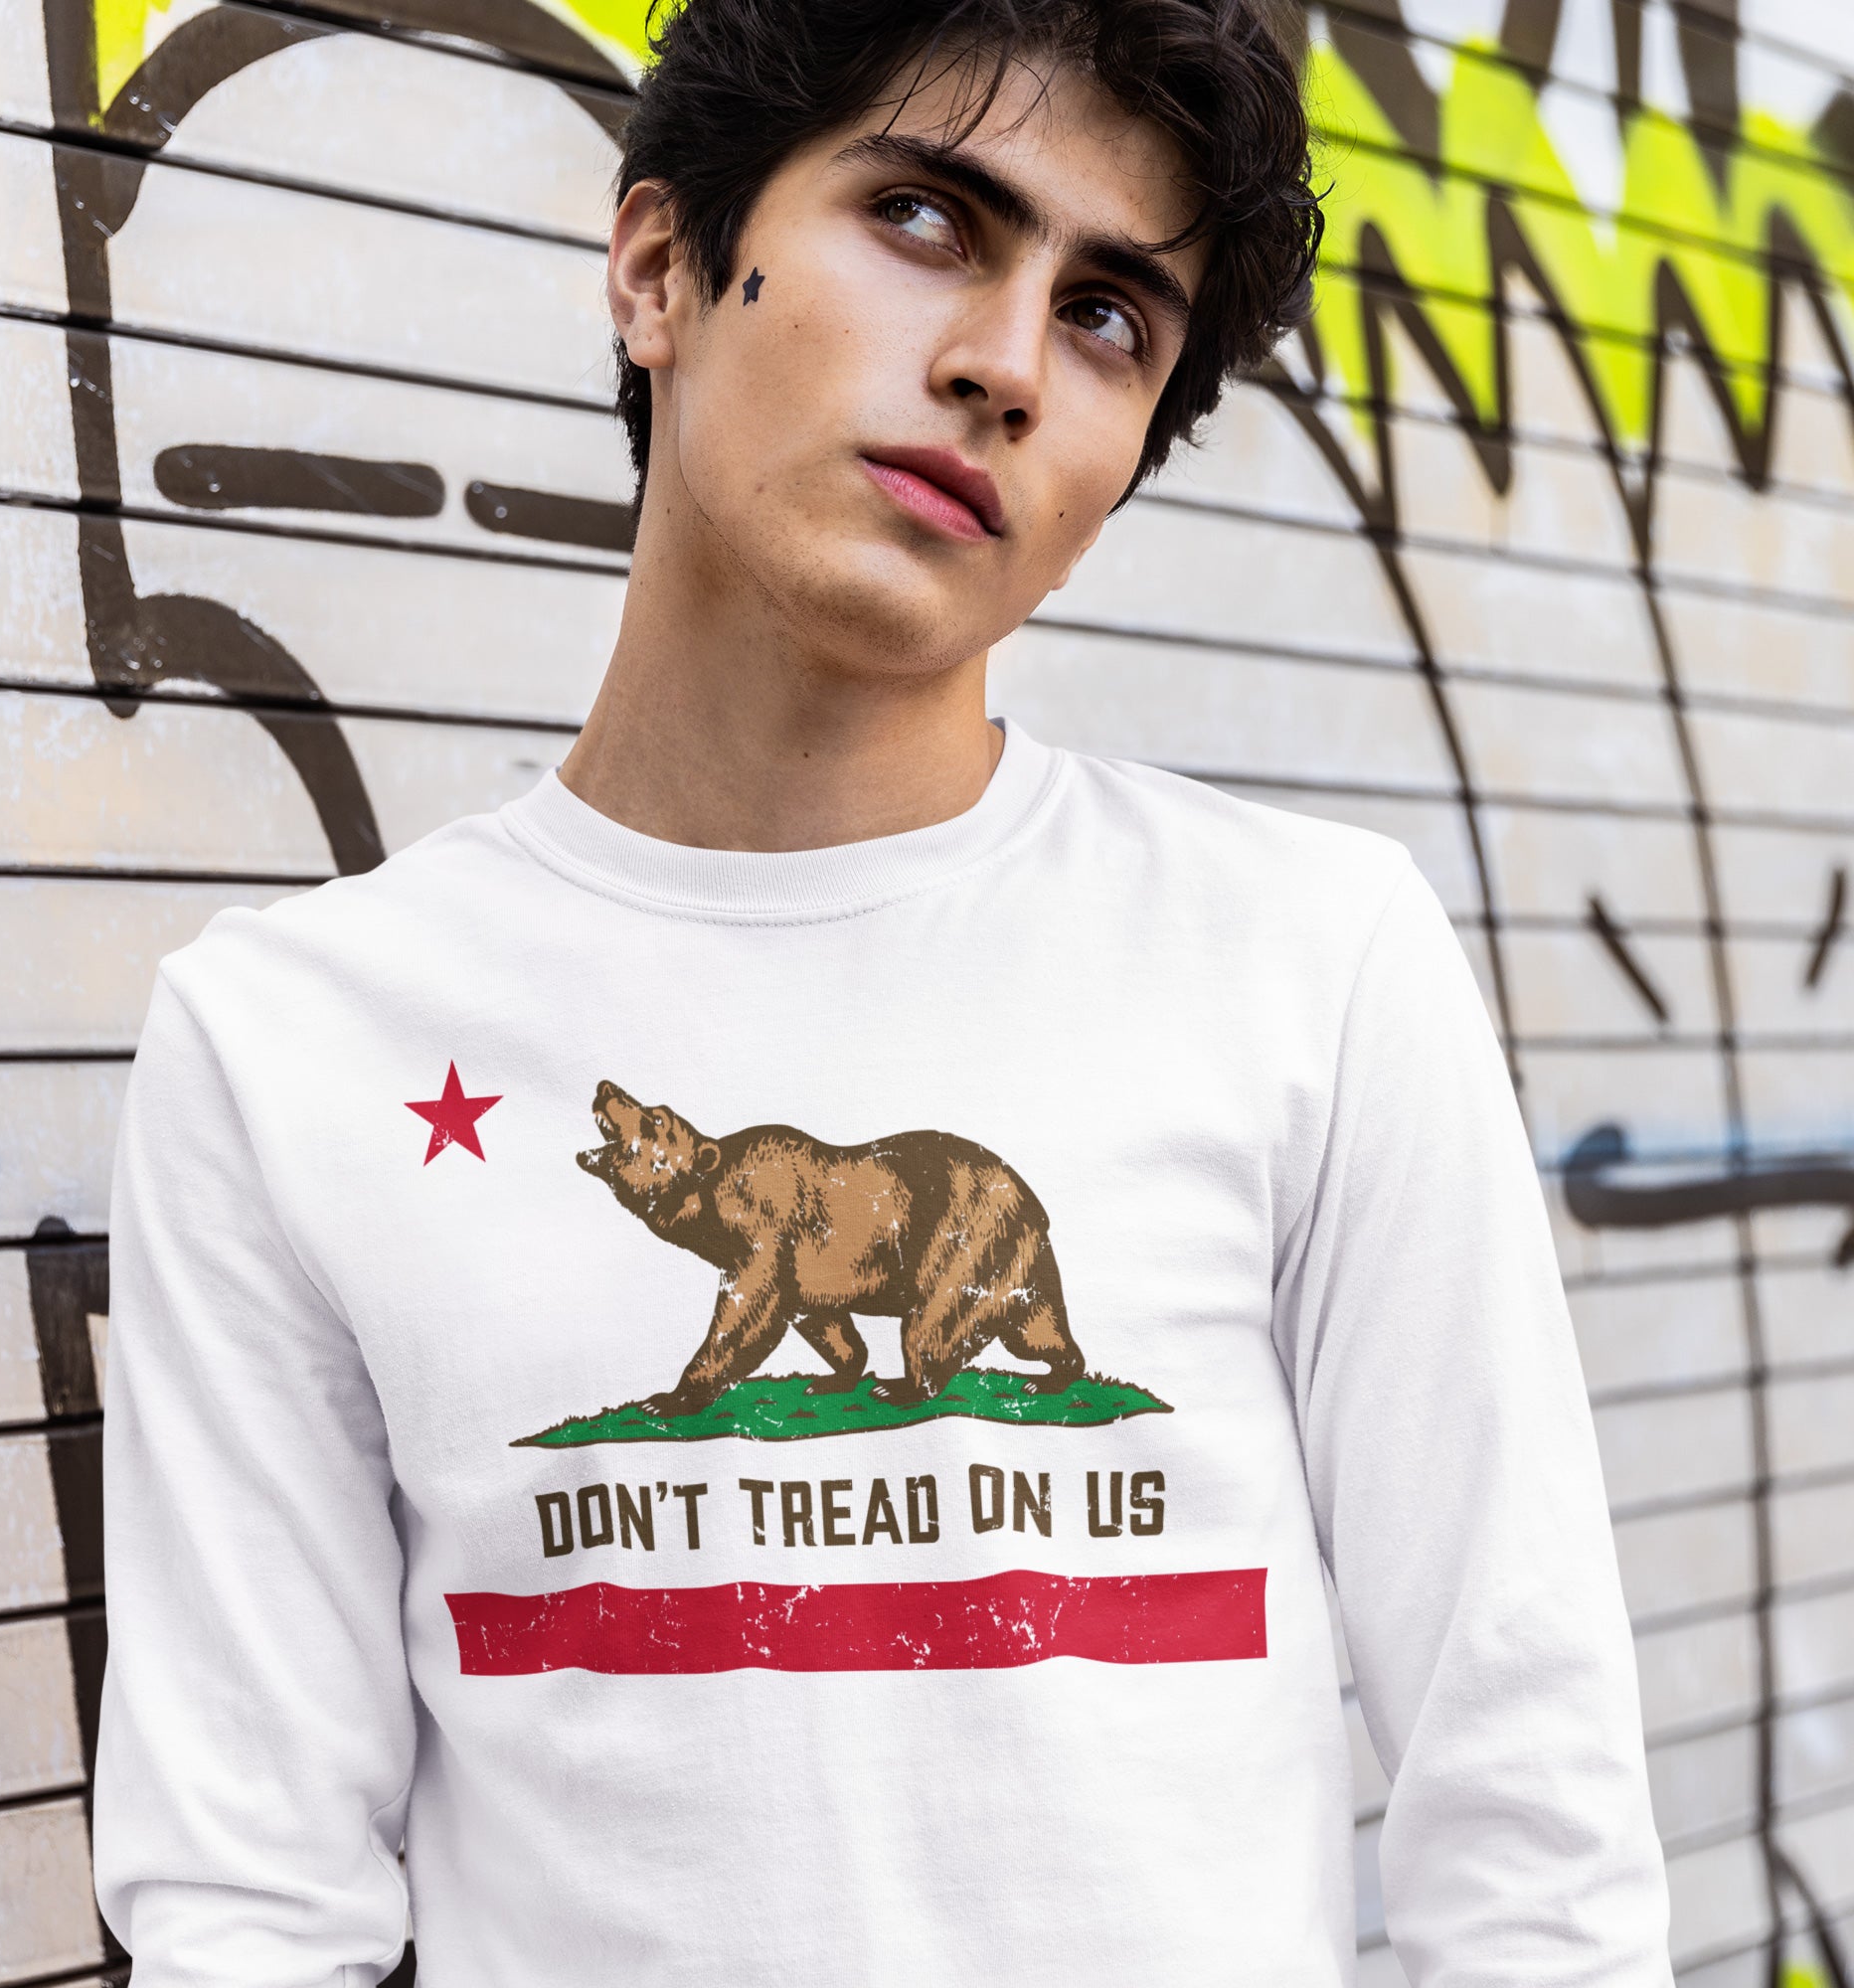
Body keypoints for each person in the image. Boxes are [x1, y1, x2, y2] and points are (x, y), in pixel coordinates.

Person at [93, 0, 1673, 1978]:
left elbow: (1530, 1831)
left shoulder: (1308, 962)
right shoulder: (288, 1046)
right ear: (661, 268)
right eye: (927, 217)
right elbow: (247, 1905)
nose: (1003, 365)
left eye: (1110, 318)